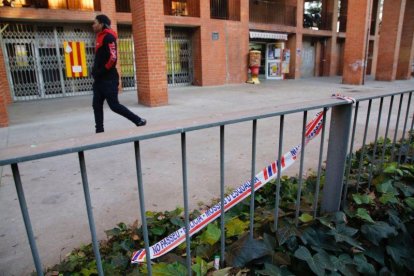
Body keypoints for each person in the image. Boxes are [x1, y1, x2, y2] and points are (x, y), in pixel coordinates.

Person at [91, 14, 146, 133]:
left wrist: (101, 71)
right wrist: (95, 72)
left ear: (101, 24)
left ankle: (138, 120)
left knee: (114, 105)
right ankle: (99, 131)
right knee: (96, 105)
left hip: (108, 80)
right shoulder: (99, 37)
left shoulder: (109, 37)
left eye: (95, 23)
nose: (93, 25)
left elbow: (113, 58)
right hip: (99, 81)